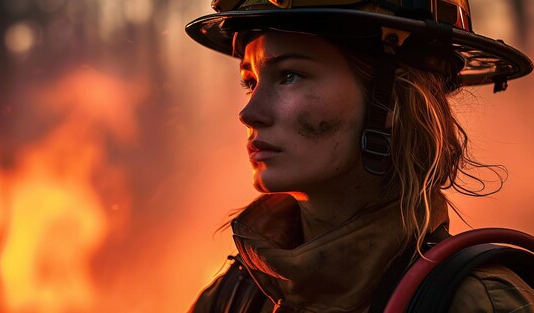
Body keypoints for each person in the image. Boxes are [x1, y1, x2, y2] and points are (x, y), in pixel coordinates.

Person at [184, 0, 534, 312]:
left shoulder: (476, 303)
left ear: (391, 100)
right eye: (251, 81)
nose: (250, 113)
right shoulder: (235, 297)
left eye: (291, 75)